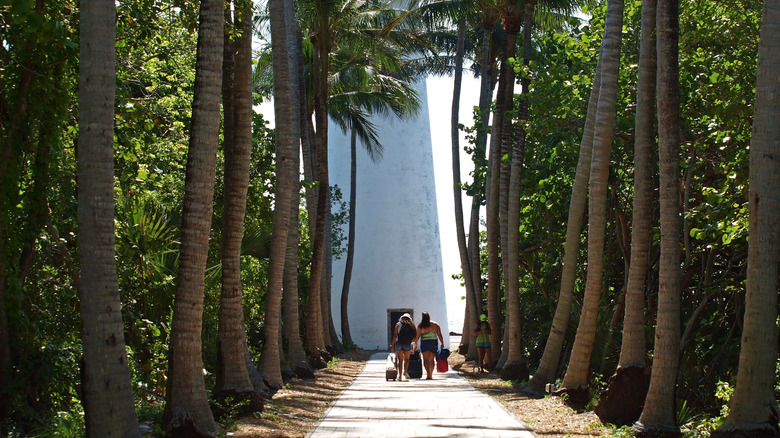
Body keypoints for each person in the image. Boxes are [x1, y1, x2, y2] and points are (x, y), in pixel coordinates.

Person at [413, 311, 444, 380]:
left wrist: (414, 344)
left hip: (425, 342)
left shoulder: (420, 326)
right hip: (433, 342)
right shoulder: (435, 325)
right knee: (431, 359)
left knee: (425, 359)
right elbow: (439, 334)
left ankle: (428, 373)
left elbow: (417, 336)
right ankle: (431, 374)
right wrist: (442, 343)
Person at [390, 313, 416, 381]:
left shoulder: (398, 324)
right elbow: (414, 336)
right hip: (407, 344)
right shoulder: (411, 325)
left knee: (400, 360)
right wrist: (414, 344)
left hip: (399, 343)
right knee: (407, 359)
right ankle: (405, 371)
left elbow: (395, 336)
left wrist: (392, 345)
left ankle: (400, 376)